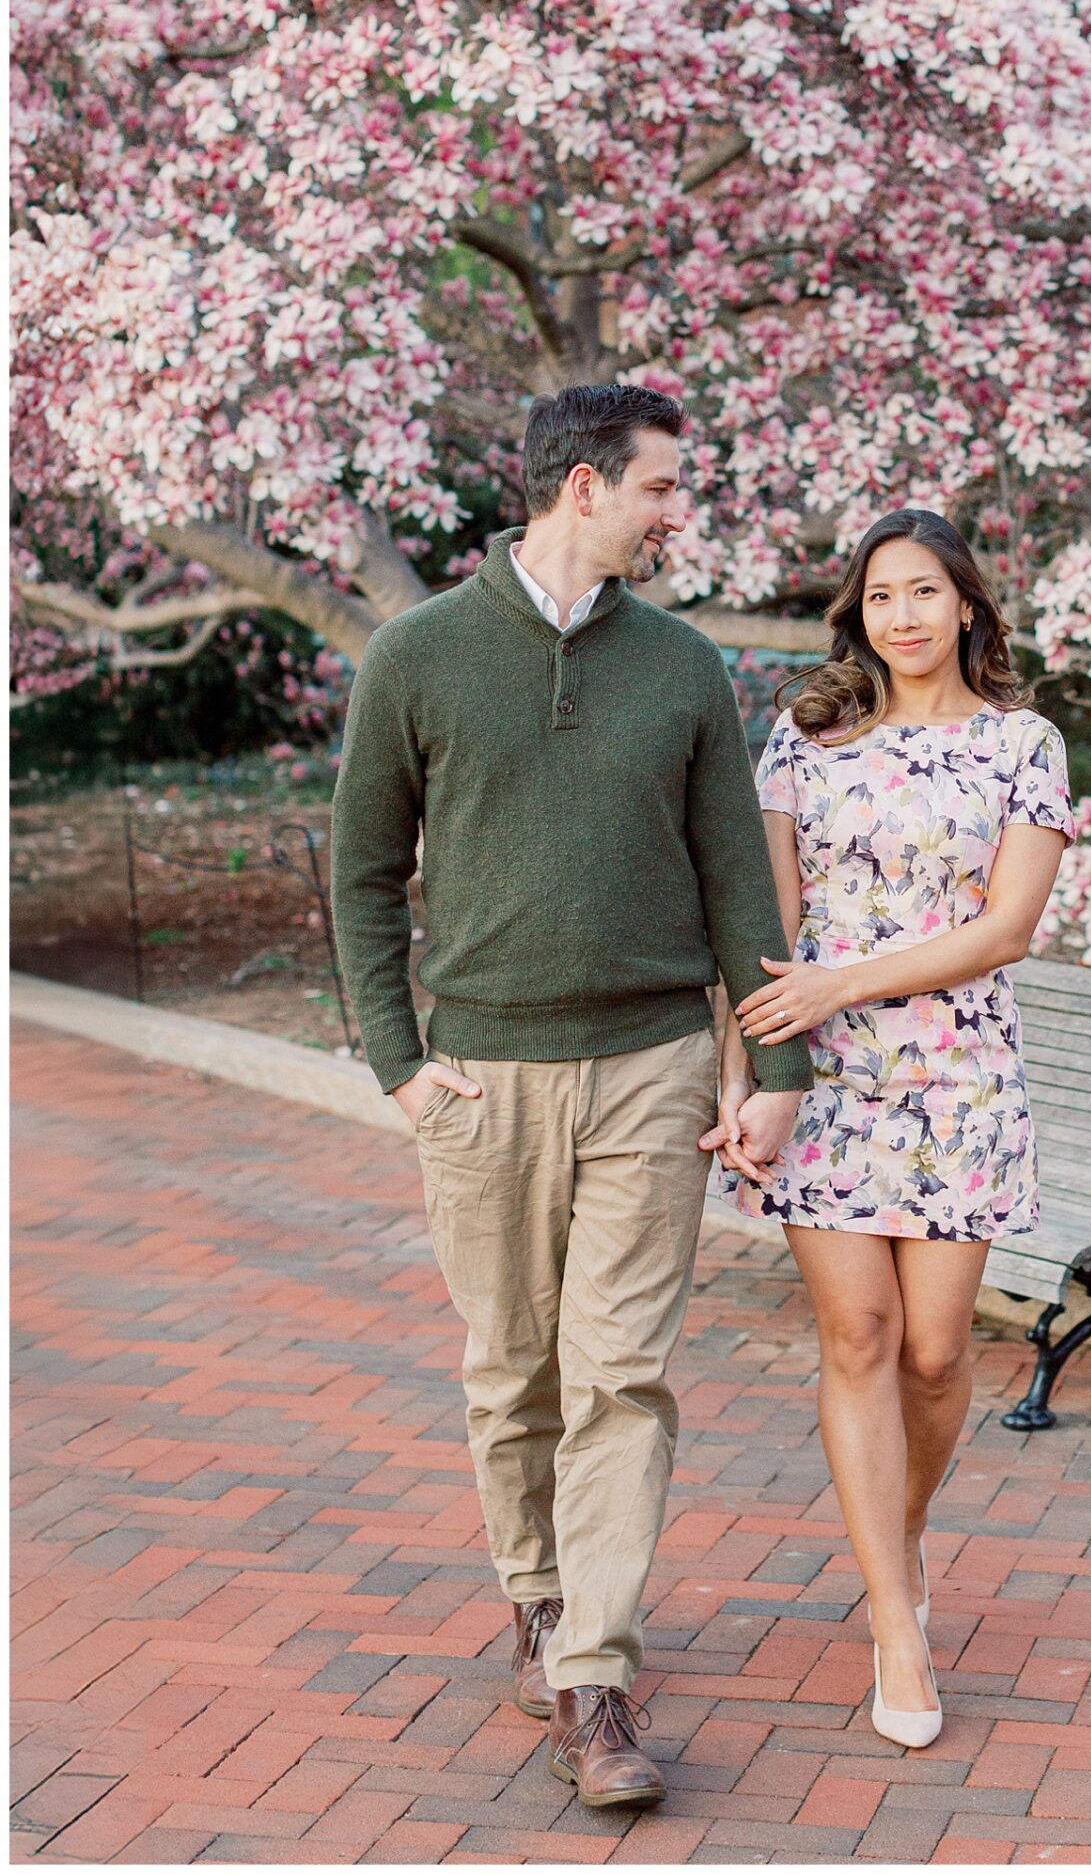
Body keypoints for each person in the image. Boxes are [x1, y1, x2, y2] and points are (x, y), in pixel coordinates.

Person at [329, 383, 810, 1810]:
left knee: (624, 1376)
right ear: (584, 487)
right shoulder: (415, 656)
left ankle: (594, 1679)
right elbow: (361, 873)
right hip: (483, 1075)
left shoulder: (681, 667)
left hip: (655, 1069)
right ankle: (535, 1597)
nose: (678, 511)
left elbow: (737, 877)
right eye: (662, 486)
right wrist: (398, 1062)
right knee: (512, 1370)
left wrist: (773, 1065)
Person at [705, 509, 1073, 1752]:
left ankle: (898, 1534)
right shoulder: (805, 743)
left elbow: (1005, 928)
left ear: (966, 605)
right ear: (855, 616)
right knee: (854, 1336)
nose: (901, 617)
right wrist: (744, 1075)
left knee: (931, 1351)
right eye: (878, 598)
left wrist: (840, 984)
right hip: (826, 1084)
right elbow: (765, 923)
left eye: (923, 593)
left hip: (961, 1079)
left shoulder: (1023, 745)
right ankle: (893, 1618)